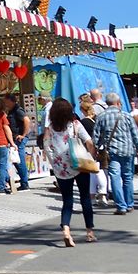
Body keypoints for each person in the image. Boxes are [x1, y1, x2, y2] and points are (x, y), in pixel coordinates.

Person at [43, 98, 97, 246]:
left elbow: (46, 146)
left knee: (67, 200)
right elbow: (89, 141)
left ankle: (66, 229)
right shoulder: (75, 124)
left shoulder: (50, 128)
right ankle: (90, 232)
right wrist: (91, 156)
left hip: (61, 168)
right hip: (79, 164)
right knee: (85, 198)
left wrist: (54, 162)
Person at [93, 92, 138, 215]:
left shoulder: (101, 117)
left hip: (112, 151)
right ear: (118, 102)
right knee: (127, 177)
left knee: (115, 177)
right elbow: (135, 134)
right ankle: (129, 204)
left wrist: (96, 150)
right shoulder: (127, 116)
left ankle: (121, 206)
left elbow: (96, 137)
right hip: (128, 150)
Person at [80, 99, 109, 207]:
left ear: (83, 110)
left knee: (93, 173)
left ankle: (95, 195)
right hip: (101, 148)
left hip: (90, 149)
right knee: (99, 171)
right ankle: (102, 194)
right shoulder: (97, 119)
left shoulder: (84, 122)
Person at [3, 94, 33, 191]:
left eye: (6, 101)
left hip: (19, 139)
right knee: (16, 160)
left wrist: (23, 135)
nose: (5, 103)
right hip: (15, 138)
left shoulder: (18, 110)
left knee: (19, 160)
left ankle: (24, 183)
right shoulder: (11, 111)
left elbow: (27, 120)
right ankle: (23, 182)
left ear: (11, 101)